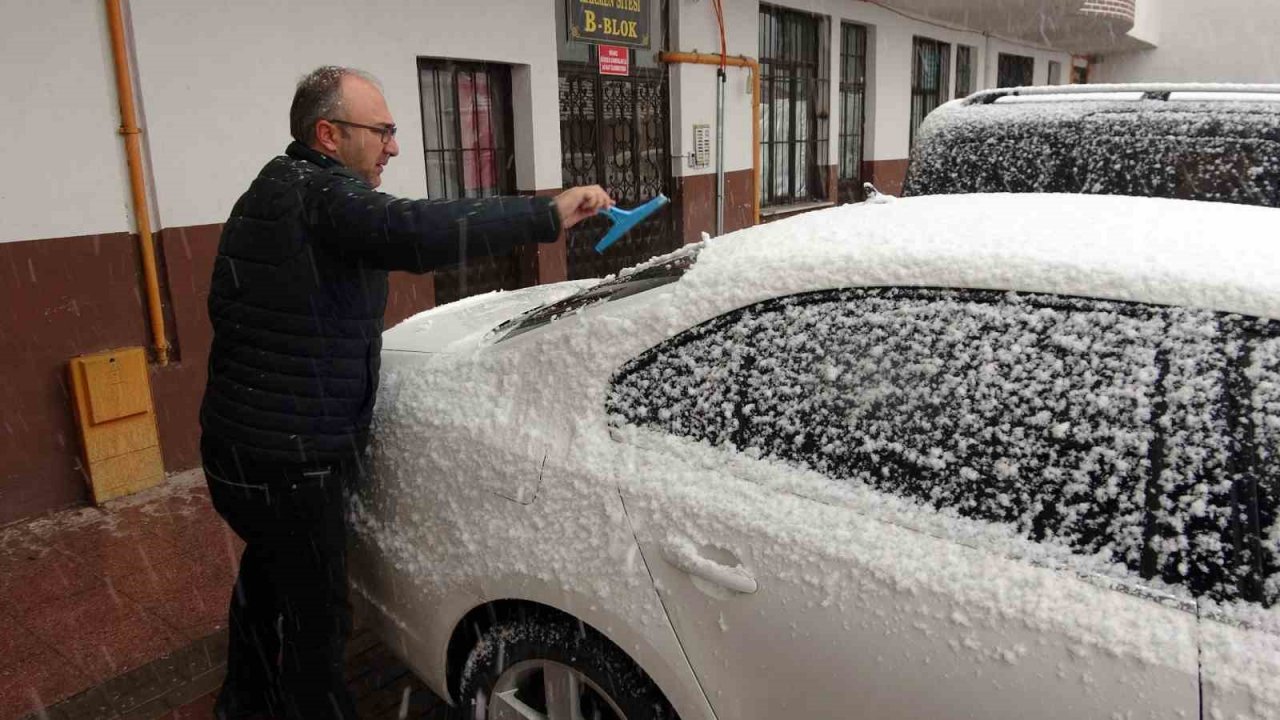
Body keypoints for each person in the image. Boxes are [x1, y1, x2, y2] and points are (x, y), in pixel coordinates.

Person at [198, 65, 612, 719]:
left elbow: (233, 307)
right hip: (289, 461)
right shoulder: (324, 197)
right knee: (318, 620)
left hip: (238, 446)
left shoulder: (273, 187)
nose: (393, 146)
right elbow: (413, 231)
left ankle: (243, 702)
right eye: (382, 131)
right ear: (329, 134)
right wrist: (546, 212)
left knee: (269, 576)